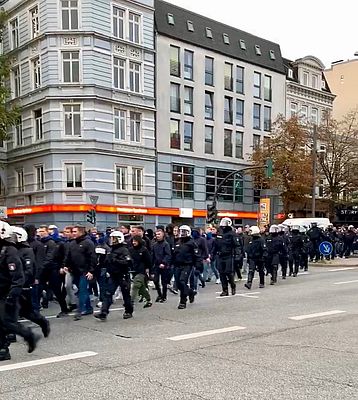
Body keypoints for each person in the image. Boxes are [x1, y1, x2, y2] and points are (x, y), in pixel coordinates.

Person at [0, 221, 40, 361]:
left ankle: (29, 335)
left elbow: (18, 277)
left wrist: (12, 295)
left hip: (6, 292)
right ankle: (3, 349)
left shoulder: (9, 251)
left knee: (6, 321)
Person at [11, 226, 50, 338]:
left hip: (22, 285)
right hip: (11, 285)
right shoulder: (10, 249)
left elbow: (32, 268)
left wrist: (33, 278)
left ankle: (42, 322)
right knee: (9, 312)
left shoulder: (27, 250)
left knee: (26, 311)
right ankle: (9, 336)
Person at [95, 231, 133, 321]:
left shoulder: (124, 250)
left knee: (125, 294)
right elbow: (107, 262)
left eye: (114, 238)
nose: (112, 240)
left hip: (122, 274)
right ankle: (103, 312)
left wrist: (115, 260)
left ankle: (128, 311)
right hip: (113, 275)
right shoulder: (111, 249)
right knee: (108, 294)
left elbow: (128, 262)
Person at [65, 225, 96, 321]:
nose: (73, 233)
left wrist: (91, 271)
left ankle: (79, 310)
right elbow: (68, 256)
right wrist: (66, 265)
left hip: (85, 271)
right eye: (72, 231)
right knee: (82, 290)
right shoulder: (72, 243)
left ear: (81, 232)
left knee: (82, 290)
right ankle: (89, 308)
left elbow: (93, 258)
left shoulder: (88, 243)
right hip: (74, 271)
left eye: (75, 231)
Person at [38, 225, 69, 318]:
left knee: (56, 290)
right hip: (44, 269)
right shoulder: (40, 242)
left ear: (47, 232)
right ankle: (44, 302)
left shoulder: (51, 243)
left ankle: (64, 309)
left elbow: (50, 257)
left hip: (53, 269)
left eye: (43, 231)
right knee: (40, 287)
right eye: (40, 231)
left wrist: (62, 266)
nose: (41, 233)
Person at [172, 225, 201, 309]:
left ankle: (183, 301)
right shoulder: (177, 242)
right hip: (177, 265)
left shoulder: (192, 243)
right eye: (181, 231)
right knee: (178, 283)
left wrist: (198, 267)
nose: (182, 233)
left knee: (182, 281)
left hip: (187, 265)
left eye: (184, 231)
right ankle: (190, 292)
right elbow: (174, 254)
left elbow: (197, 255)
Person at [212, 218, 242, 296]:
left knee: (229, 273)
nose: (223, 226)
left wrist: (237, 256)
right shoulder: (219, 234)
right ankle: (225, 290)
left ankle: (233, 286)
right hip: (220, 256)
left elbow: (237, 246)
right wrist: (212, 254)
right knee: (221, 273)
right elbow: (215, 245)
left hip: (229, 255)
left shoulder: (232, 234)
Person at [129, 236, 152, 308]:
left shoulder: (144, 250)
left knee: (135, 285)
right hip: (133, 270)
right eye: (133, 241)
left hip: (141, 271)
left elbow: (149, 260)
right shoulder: (130, 250)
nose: (134, 243)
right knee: (141, 287)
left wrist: (148, 269)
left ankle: (131, 302)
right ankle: (148, 300)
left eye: (135, 241)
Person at [152, 227, 172, 303]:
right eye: (156, 234)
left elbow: (168, 255)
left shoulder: (166, 244)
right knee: (155, 281)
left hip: (164, 266)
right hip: (156, 265)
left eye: (159, 234)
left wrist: (164, 263)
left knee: (164, 282)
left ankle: (164, 296)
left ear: (163, 235)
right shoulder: (154, 245)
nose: (157, 236)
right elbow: (152, 255)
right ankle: (159, 294)